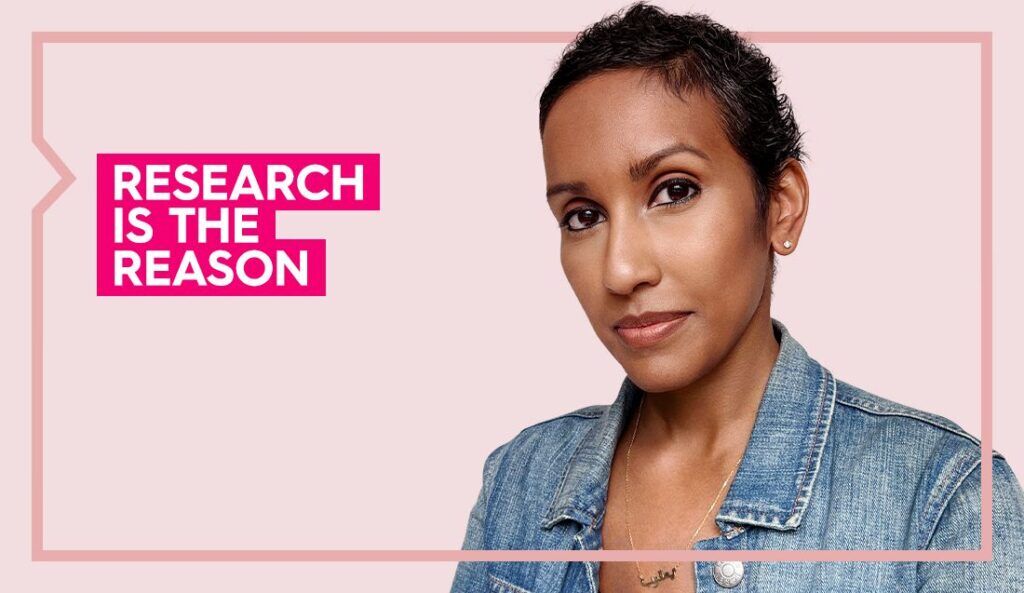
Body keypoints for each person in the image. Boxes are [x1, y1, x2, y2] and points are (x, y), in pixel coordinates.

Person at [450, 2, 1024, 592]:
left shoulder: (941, 501)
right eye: (582, 216)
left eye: (674, 190)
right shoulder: (520, 479)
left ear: (780, 205)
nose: (621, 270)